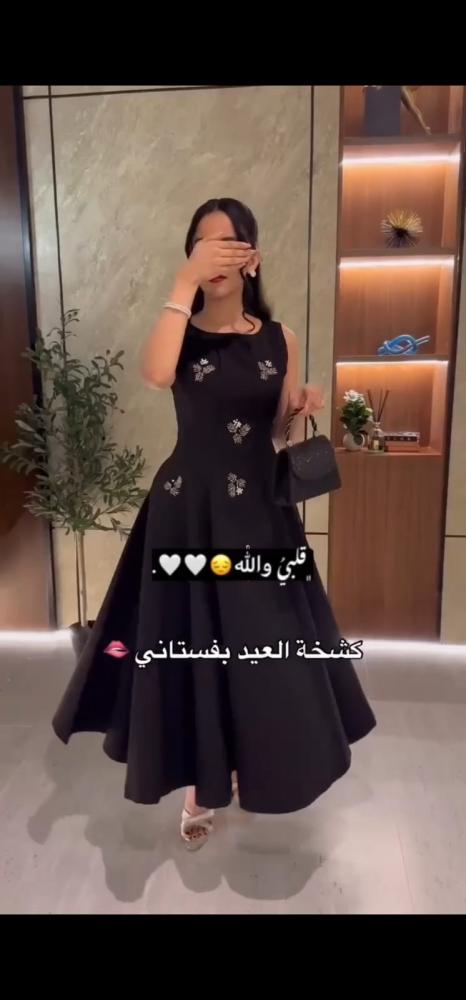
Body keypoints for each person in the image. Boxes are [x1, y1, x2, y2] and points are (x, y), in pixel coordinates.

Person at [52, 197, 376, 850]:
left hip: (260, 515)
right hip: (189, 514)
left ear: (252, 255)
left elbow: (276, 434)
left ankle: (258, 765)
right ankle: (201, 785)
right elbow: (155, 374)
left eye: (228, 242)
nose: (216, 255)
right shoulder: (181, 329)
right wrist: (182, 284)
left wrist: (301, 408)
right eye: (203, 243)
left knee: (266, 645)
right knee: (195, 644)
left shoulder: (279, 338)